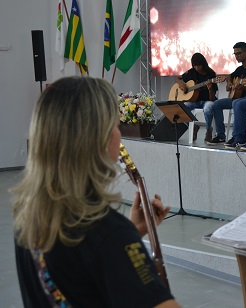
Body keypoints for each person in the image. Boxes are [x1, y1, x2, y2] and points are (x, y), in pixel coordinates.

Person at [12, 76, 180, 307]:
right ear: (97, 138)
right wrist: (122, 238)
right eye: (115, 125)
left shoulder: (29, 214)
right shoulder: (108, 232)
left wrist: (132, 232)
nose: (119, 134)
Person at [207, 42, 246, 145]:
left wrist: (244, 87)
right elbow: (230, 76)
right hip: (237, 98)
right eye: (235, 54)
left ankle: (238, 137)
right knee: (216, 104)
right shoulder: (240, 69)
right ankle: (220, 135)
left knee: (237, 103)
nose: (237, 56)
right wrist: (229, 83)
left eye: (239, 53)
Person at [175, 52, 218, 142]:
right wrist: (181, 83)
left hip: (207, 100)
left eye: (199, 65)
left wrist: (210, 89)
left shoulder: (211, 74)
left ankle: (208, 130)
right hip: (194, 101)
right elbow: (177, 78)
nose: (197, 68)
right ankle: (194, 127)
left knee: (208, 108)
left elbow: (212, 98)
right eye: (195, 65)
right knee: (181, 108)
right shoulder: (191, 72)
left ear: (203, 64)